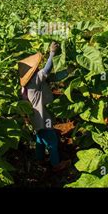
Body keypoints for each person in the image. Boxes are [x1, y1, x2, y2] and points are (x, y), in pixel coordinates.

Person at [18, 42, 70, 172]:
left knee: (40, 139)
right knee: (52, 141)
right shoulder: (34, 80)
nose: (37, 68)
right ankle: (56, 164)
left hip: (34, 118)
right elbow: (47, 70)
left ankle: (39, 159)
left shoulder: (25, 86)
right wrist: (52, 53)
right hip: (42, 116)